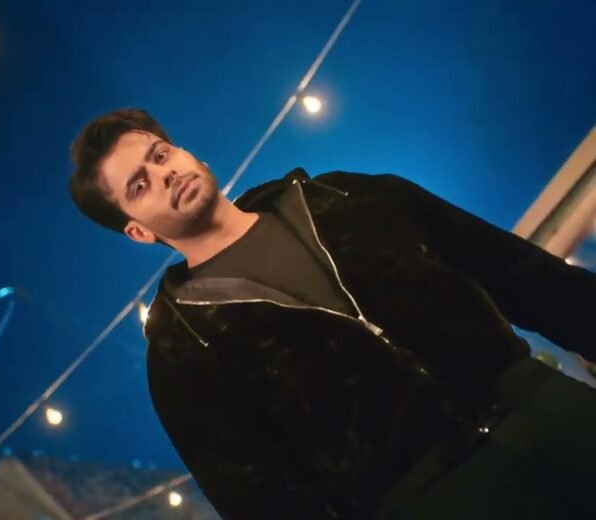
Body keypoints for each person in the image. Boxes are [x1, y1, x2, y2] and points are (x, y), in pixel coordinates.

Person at [68, 108, 596, 519]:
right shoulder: (182, 352)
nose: (164, 174)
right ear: (137, 231)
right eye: (139, 185)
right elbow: (265, 506)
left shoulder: (349, 196)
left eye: (161, 154)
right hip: (436, 501)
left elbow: (529, 279)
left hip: (553, 414)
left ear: (185, 152)